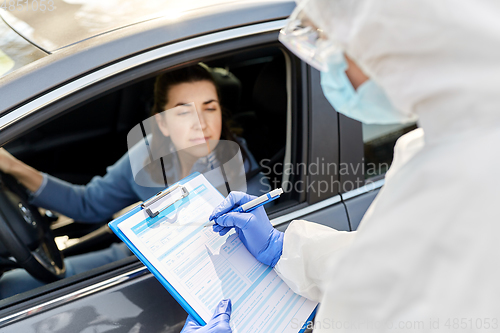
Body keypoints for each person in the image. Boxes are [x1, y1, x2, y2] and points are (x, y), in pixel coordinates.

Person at [185, 0, 500, 331]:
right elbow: (380, 265)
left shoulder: (479, 182)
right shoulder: (430, 147)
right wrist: (284, 250)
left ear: (391, 43)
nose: (329, 63)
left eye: (336, 43)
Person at [0, 64, 268, 298]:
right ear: (162, 123)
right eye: (184, 113)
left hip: (198, 282)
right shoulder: (149, 153)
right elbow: (88, 203)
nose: (201, 123)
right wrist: (13, 166)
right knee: (11, 284)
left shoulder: (243, 174)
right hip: (135, 257)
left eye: (210, 109)